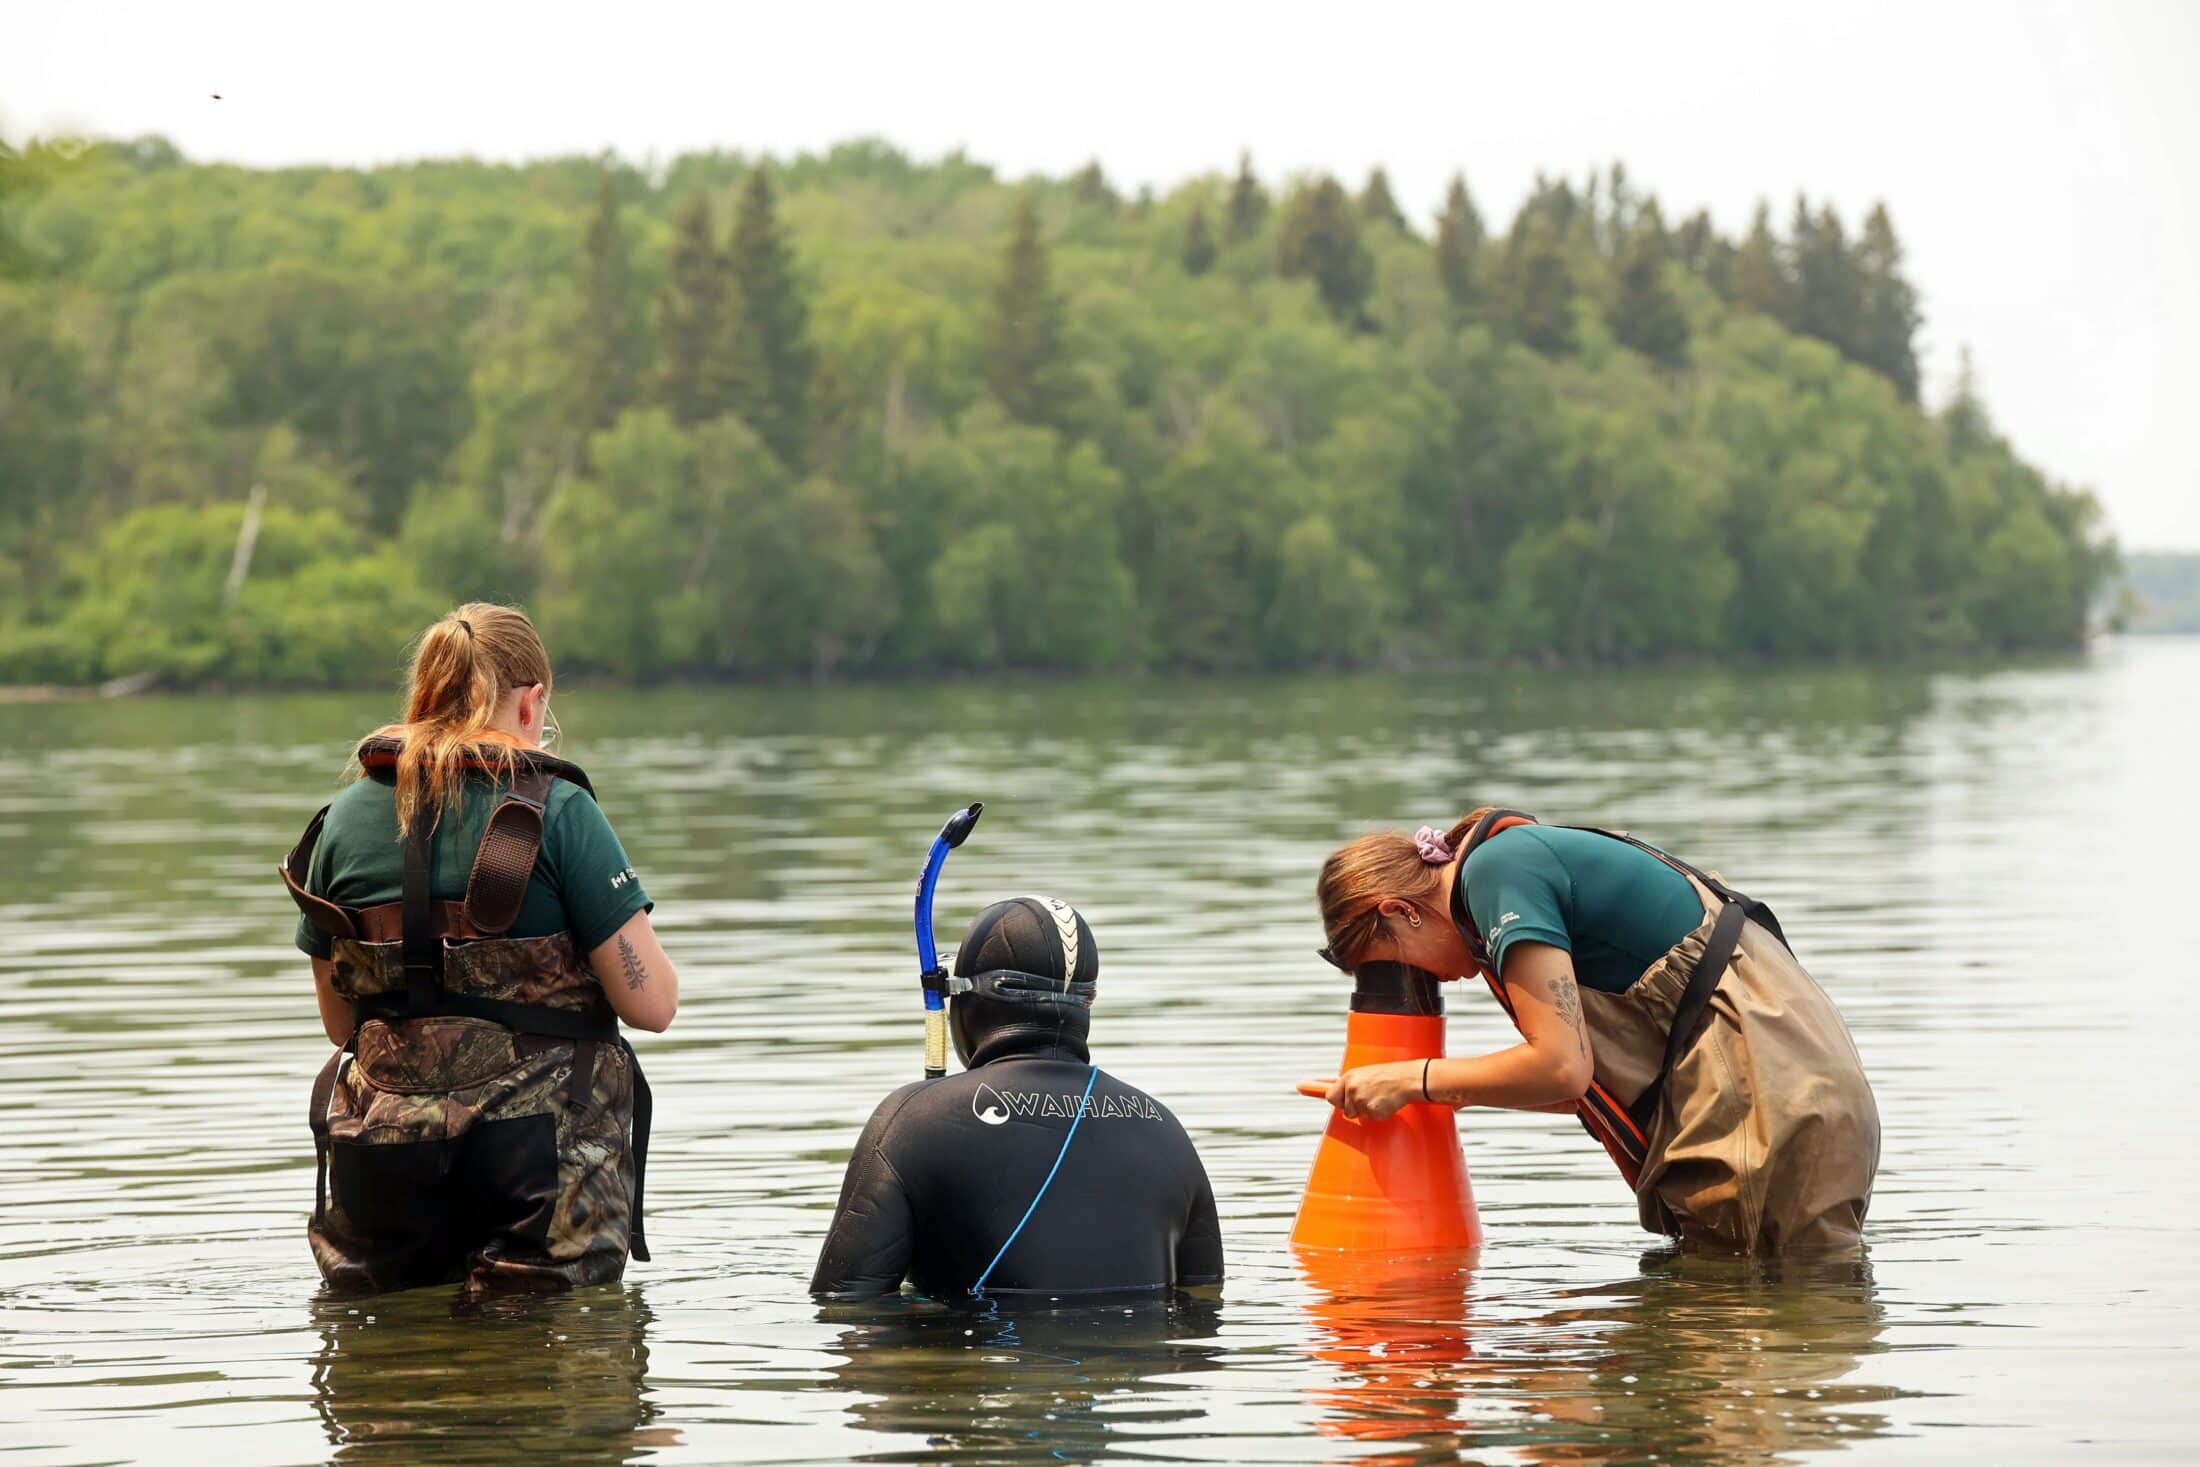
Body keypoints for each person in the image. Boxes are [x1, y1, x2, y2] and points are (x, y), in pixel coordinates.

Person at [281, 603, 677, 1294]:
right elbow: (653, 1004)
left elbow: (343, 1025)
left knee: (390, 1378)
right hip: (539, 1173)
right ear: (531, 702)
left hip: (383, 1162)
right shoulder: (558, 809)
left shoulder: (341, 820)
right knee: (550, 1367)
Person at [1314, 808, 1878, 1252]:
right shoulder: (1514, 862)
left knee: (1752, 1350)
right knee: (1772, 1341)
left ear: (1398, 910)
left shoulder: (1496, 874)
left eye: (1390, 962)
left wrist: (1419, 1078)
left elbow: (1561, 1069)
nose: (1421, 980)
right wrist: (1436, 1092)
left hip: (1765, 1107)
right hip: (1789, 1094)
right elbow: (1579, 1088)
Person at [810, 896, 1224, 1300]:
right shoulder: (1165, 1129)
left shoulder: (911, 1121)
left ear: (970, 999)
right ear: (1087, 1003)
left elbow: (843, 1308)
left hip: (976, 1365)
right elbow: (1204, 1302)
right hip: (1133, 1365)